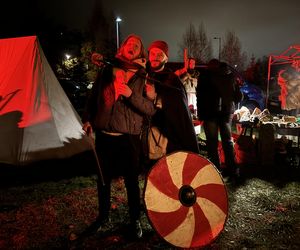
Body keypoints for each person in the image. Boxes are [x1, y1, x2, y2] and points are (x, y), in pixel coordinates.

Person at [80, 34, 156, 239]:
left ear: (140, 52)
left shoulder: (144, 75)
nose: (132, 46)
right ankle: (103, 217)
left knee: (132, 181)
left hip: (128, 137)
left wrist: (130, 95)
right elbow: (94, 96)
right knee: (103, 180)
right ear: (122, 49)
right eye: (129, 43)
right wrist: (88, 119)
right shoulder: (107, 69)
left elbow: (150, 109)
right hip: (104, 134)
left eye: (137, 45)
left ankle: (134, 220)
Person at [146, 40, 200, 155]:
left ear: (166, 59)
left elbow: (179, 110)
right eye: (152, 54)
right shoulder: (143, 75)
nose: (155, 57)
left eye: (160, 55)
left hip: (167, 137)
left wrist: (156, 97)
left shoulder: (172, 80)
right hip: (143, 134)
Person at [197, 59, 243, 181]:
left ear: (209, 67)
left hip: (209, 114)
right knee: (227, 141)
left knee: (212, 143)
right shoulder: (230, 75)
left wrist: (200, 114)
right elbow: (238, 97)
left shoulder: (205, 76)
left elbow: (200, 97)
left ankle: (216, 172)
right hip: (226, 113)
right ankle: (233, 170)